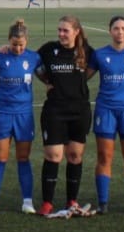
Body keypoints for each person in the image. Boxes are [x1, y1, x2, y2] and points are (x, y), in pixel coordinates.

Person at [35, 16, 94, 217]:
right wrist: (7, 48)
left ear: (76, 31)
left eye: (65, 30)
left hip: (79, 111)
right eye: (59, 30)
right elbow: (29, 61)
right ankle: (47, 203)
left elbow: (102, 63)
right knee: (53, 156)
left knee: (75, 156)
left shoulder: (86, 51)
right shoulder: (48, 49)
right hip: (54, 111)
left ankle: (72, 200)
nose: (61, 34)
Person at [0, 20, 40, 214]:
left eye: (21, 44)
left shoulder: (33, 58)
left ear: (27, 41)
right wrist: (0, 100)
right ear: (9, 41)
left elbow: (47, 68)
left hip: (24, 115)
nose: (18, 48)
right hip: (3, 114)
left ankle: (27, 202)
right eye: (14, 44)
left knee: (23, 157)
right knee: (0, 157)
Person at [90, 16, 124, 214]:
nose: (120, 32)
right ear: (110, 31)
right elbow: (83, 75)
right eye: (116, 28)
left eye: (123, 28)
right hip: (106, 109)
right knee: (104, 156)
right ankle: (103, 202)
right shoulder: (100, 54)